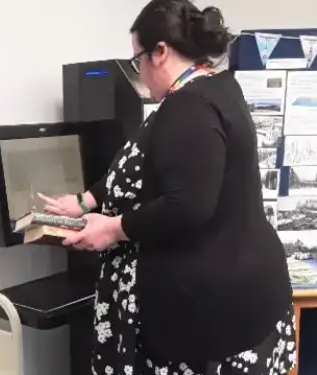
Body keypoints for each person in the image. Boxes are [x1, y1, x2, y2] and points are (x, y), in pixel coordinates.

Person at [38, 0, 296, 374]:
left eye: (137, 59)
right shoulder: (217, 88)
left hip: (205, 306)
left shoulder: (189, 108)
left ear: (160, 52)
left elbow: (187, 205)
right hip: (245, 283)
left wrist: (111, 229)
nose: (138, 71)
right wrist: (85, 200)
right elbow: (141, 165)